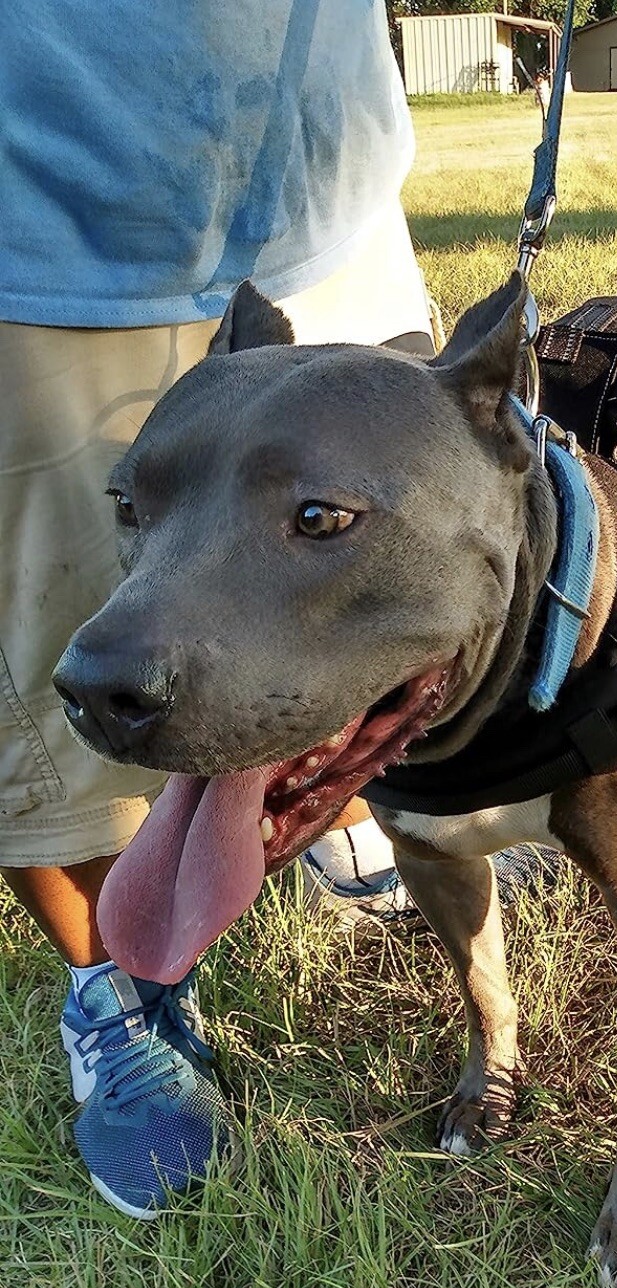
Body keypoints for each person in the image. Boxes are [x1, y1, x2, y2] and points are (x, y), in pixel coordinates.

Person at [0, 1, 550, 1220]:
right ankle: (117, 987)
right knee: (81, 665)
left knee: (375, 581)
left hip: (323, 173)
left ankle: (324, 788)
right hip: (37, 220)